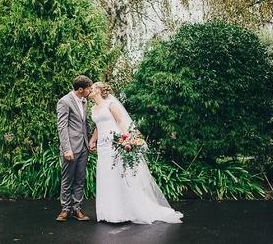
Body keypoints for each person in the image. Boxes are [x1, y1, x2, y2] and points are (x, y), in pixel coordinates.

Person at [88, 82, 183, 224]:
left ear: (100, 91)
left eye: (93, 88)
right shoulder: (94, 108)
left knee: (119, 175)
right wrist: (92, 140)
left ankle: (127, 210)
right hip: (102, 146)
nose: (90, 90)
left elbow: (120, 121)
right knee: (106, 176)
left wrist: (125, 139)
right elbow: (98, 126)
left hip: (115, 143)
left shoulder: (110, 104)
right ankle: (109, 212)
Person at [55, 75, 92, 222]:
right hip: (70, 147)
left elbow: (85, 124)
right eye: (89, 88)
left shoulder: (84, 101)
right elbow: (62, 126)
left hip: (83, 147)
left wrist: (90, 142)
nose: (90, 90)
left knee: (80, 179)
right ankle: (65, 209)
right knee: (67, 179)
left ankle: (77, 209)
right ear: (81, 89)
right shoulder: (64, 101)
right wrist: (66, 149)